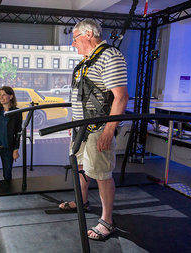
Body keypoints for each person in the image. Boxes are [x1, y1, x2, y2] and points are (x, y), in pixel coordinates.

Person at [58, 19, 129, 241]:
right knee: (80, 167)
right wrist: (74, 124)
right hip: (80, 128)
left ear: (89, 34)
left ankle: (107, 220)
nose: (73, 44)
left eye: (75, 38)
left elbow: (121, 97)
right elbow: (80, 98)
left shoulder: (110, 56)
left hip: (98, 128)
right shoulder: (84, 63)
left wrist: (109, 131)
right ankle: (83, 201)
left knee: (101, 174)